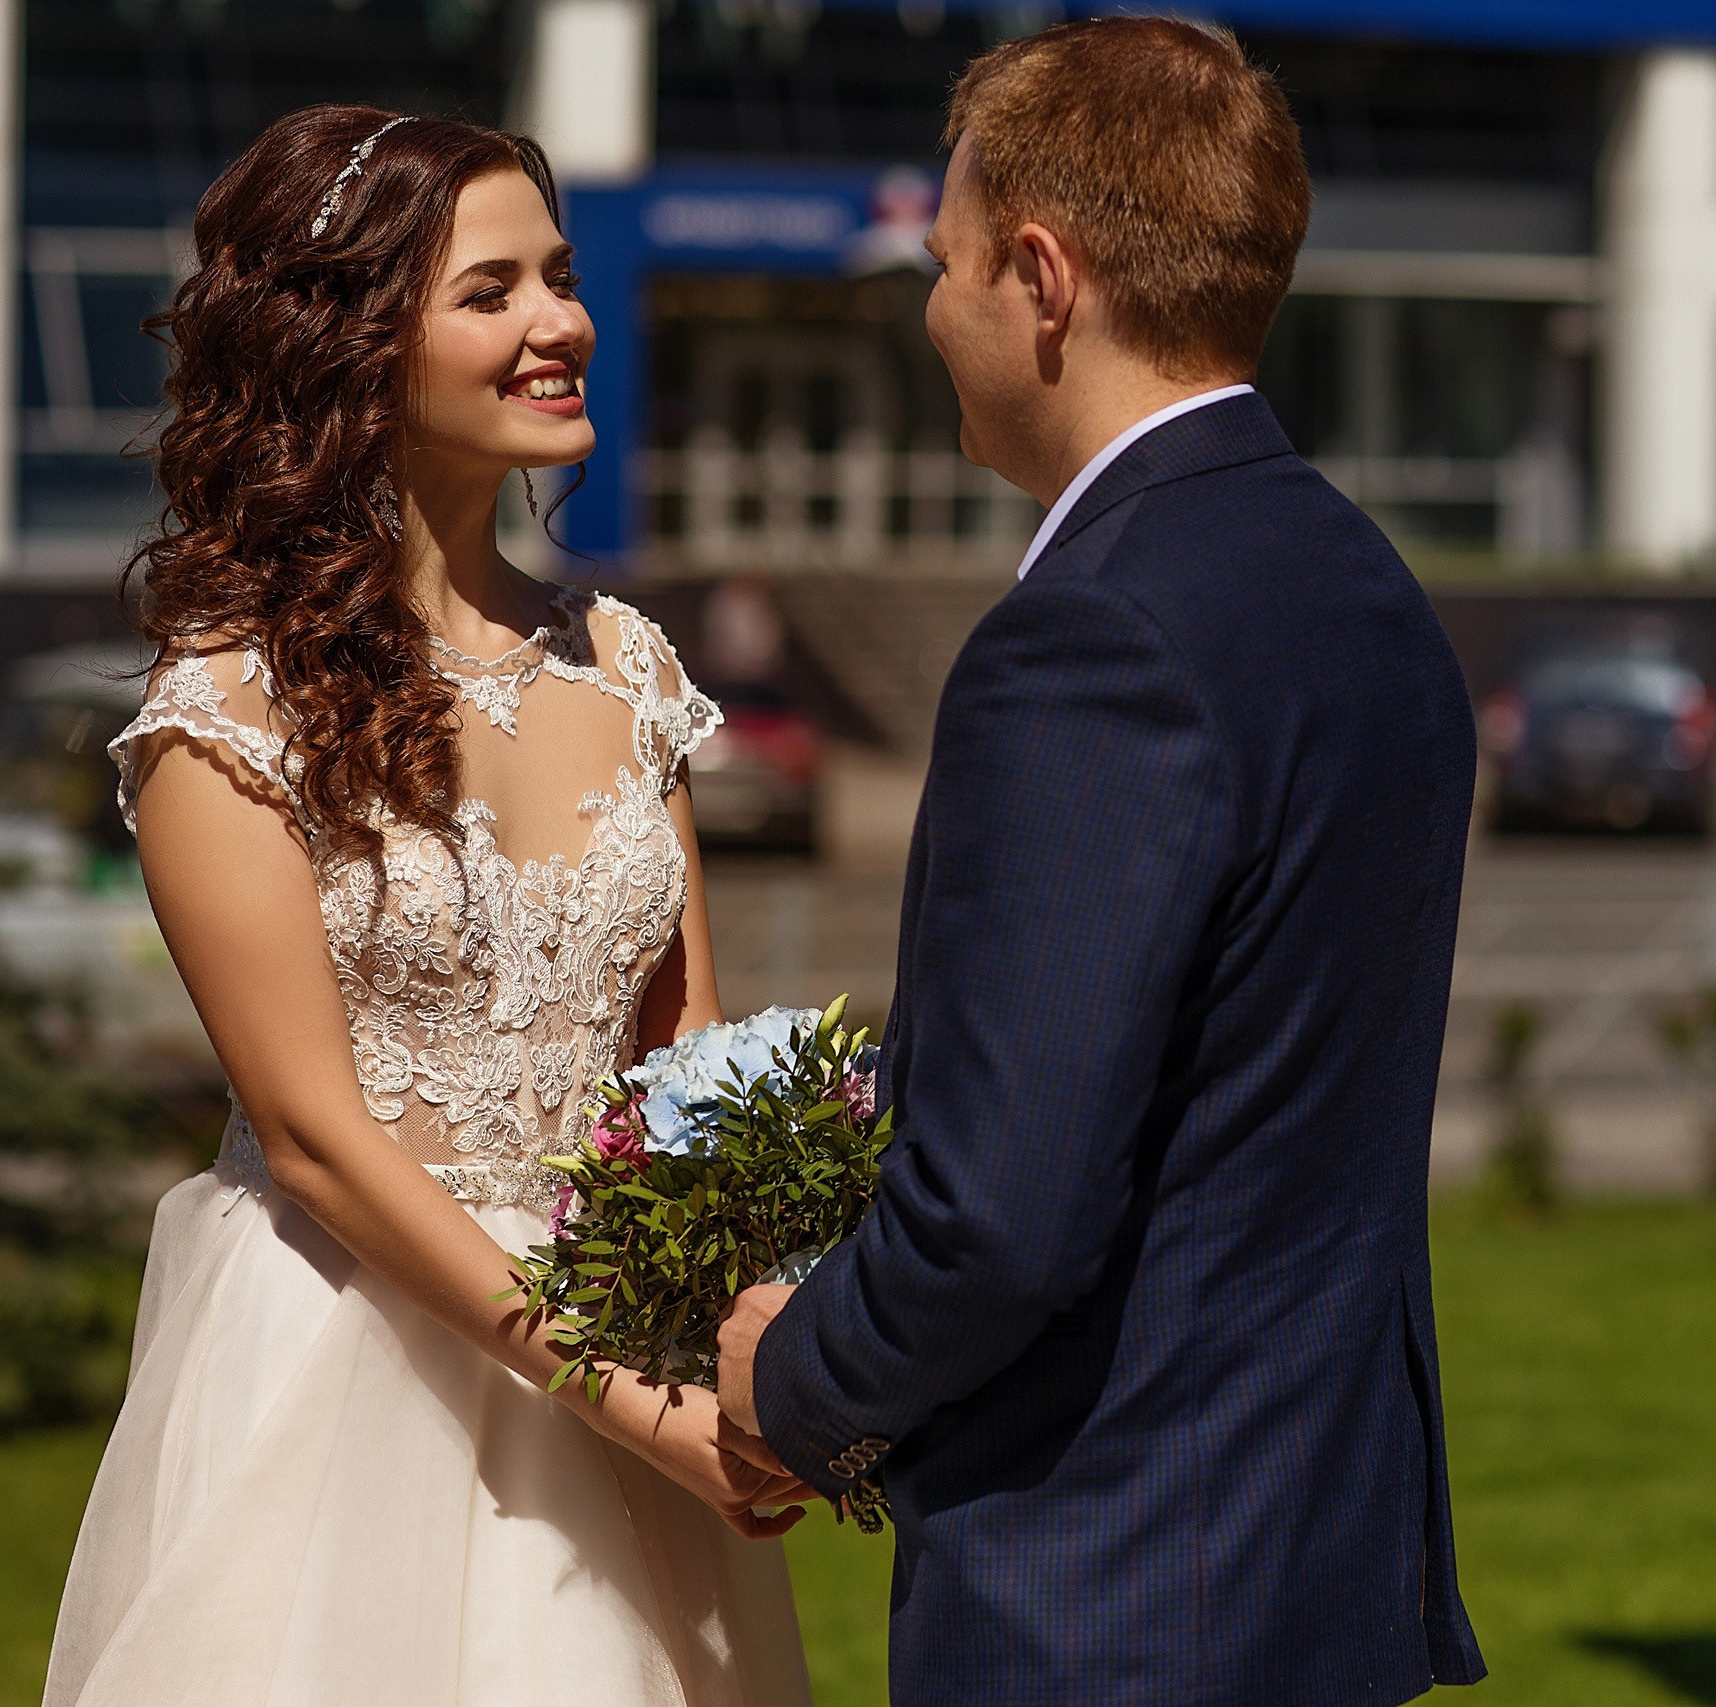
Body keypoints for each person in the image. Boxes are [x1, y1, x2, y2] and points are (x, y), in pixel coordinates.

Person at [714, 19, 1487, 1705]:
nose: (930, 311)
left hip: (1119, 1601)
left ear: (1041, 280)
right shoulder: (1364, 589)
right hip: (1313, 1576)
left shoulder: (1093, 642)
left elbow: (1000, 1217)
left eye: (945, 263)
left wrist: (789, 1383)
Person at [44, 108, 814, 1707]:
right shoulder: (230, 706)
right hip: (351, 1363)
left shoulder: (631, 663)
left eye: (565, 276)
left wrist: (773, 1338)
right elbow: (317, 1138)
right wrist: (627, 1402)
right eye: (495, 291)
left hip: (633, 1362)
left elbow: (692, 1057)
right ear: (348, 344)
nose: (564, 324)